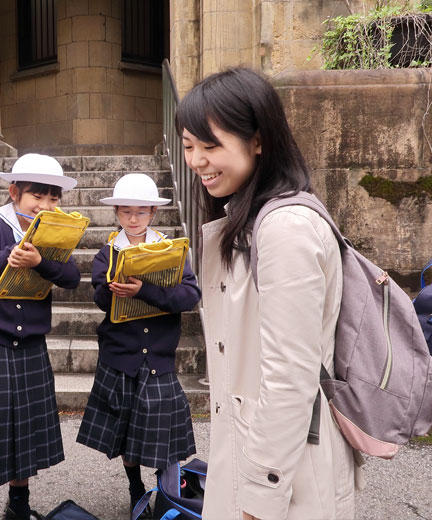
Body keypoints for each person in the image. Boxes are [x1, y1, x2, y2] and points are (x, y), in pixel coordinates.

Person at [177, 67, 358, 519]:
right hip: (259, 460)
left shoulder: (284, 228)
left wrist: (258, 498)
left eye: (210, 144)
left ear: (258, 139)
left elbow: (290, 377)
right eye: (188, 146)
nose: (197, 160)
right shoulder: (250, 222)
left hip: (285, 480)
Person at [0, 153, 81, 520]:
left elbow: (71, 277)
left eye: (53, 198)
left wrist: (41, 261)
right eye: (36, 196)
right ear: (14, 192)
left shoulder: (57, 230)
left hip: (30, 344)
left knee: (25, 430)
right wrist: (16, 252)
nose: (45, 205)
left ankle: (19, 504)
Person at [76, 173, 201, 517]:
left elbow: (190, 295)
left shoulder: (172, 250)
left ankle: (168, 492)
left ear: (153, 213)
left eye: (141, 212)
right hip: (120, 357)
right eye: (126, 212)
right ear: (116, 212)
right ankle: (134, 488)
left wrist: (144, 289)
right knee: (127, 433)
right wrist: (112, 287)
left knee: (166, 437)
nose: (133, 219)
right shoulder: (107, 253)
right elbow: (101, 300)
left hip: (159, 358)